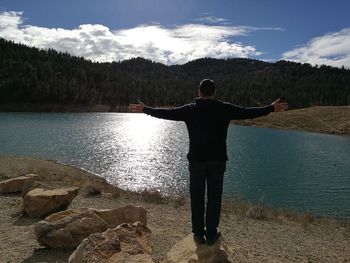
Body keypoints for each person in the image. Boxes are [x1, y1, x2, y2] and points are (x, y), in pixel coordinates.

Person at [128, 79, 288, 245]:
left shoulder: (190, 109)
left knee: (197, 198)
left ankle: (198, 233)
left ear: (199, 92)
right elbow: (248, 112)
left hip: (196, 162)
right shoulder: (225, 108)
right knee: (214, 198)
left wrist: (145, 109)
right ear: (215, 92)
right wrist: (271, 107)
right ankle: (211, 233)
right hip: (218, 162)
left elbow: (167, 114)